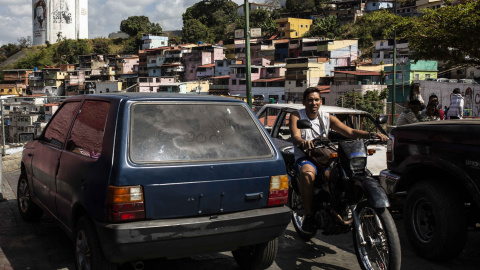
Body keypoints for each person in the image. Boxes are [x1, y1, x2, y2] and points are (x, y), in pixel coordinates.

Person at [289, 87, 388, 232]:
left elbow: (350, 132)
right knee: (307, 174)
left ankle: (338, 206)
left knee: (340, 175)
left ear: (320, 101)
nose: (313, 103)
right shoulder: (297, 115)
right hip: (306, 156)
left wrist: (371, 134)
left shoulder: (326, 117)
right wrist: (302, 142)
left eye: (316, 99)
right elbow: (295, 135)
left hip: (324, 155)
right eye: (310, 100)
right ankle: (309, 215)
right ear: (304, 102)